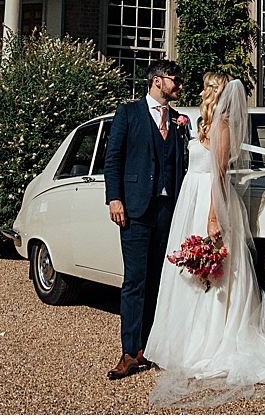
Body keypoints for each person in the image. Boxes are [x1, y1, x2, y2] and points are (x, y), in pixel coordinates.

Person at [142, 72, 265, 407]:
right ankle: (187, 340)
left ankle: (209, 342)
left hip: (209, 201)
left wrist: (212, 217)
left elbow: (219, 174)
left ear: (216, 92)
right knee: (190, 273)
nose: (202, 90)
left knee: (215, 275)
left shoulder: (221, 125)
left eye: (208, 86)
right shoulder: (202, 124)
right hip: (189, 200)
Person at [103, 59, 188, 380]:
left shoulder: (180, 121)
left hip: (169, 211)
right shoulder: (128, 113)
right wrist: (115, 198)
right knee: (135, 281)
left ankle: (150, 348)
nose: (179, 85)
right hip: (135, 210)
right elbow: (113, 160)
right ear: (156, 82)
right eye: (174, 80)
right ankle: (129, 351)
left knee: (160, 281)